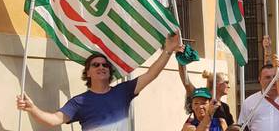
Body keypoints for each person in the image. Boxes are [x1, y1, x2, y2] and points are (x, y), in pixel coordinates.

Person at [16, 32, 183, 130]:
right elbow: (54, 120)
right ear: (88, 72)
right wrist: (32, 109)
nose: (101, 67)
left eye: (105, 65)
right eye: (95, 65)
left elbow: (151, 74)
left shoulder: (123, 91)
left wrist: (167, 51)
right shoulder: (79, 102)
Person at [238, 61, 279, 130]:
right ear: (259, 79)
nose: (272, 80)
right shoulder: (249, 102)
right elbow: (242, 127)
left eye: (275, 77)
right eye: (268, 77)